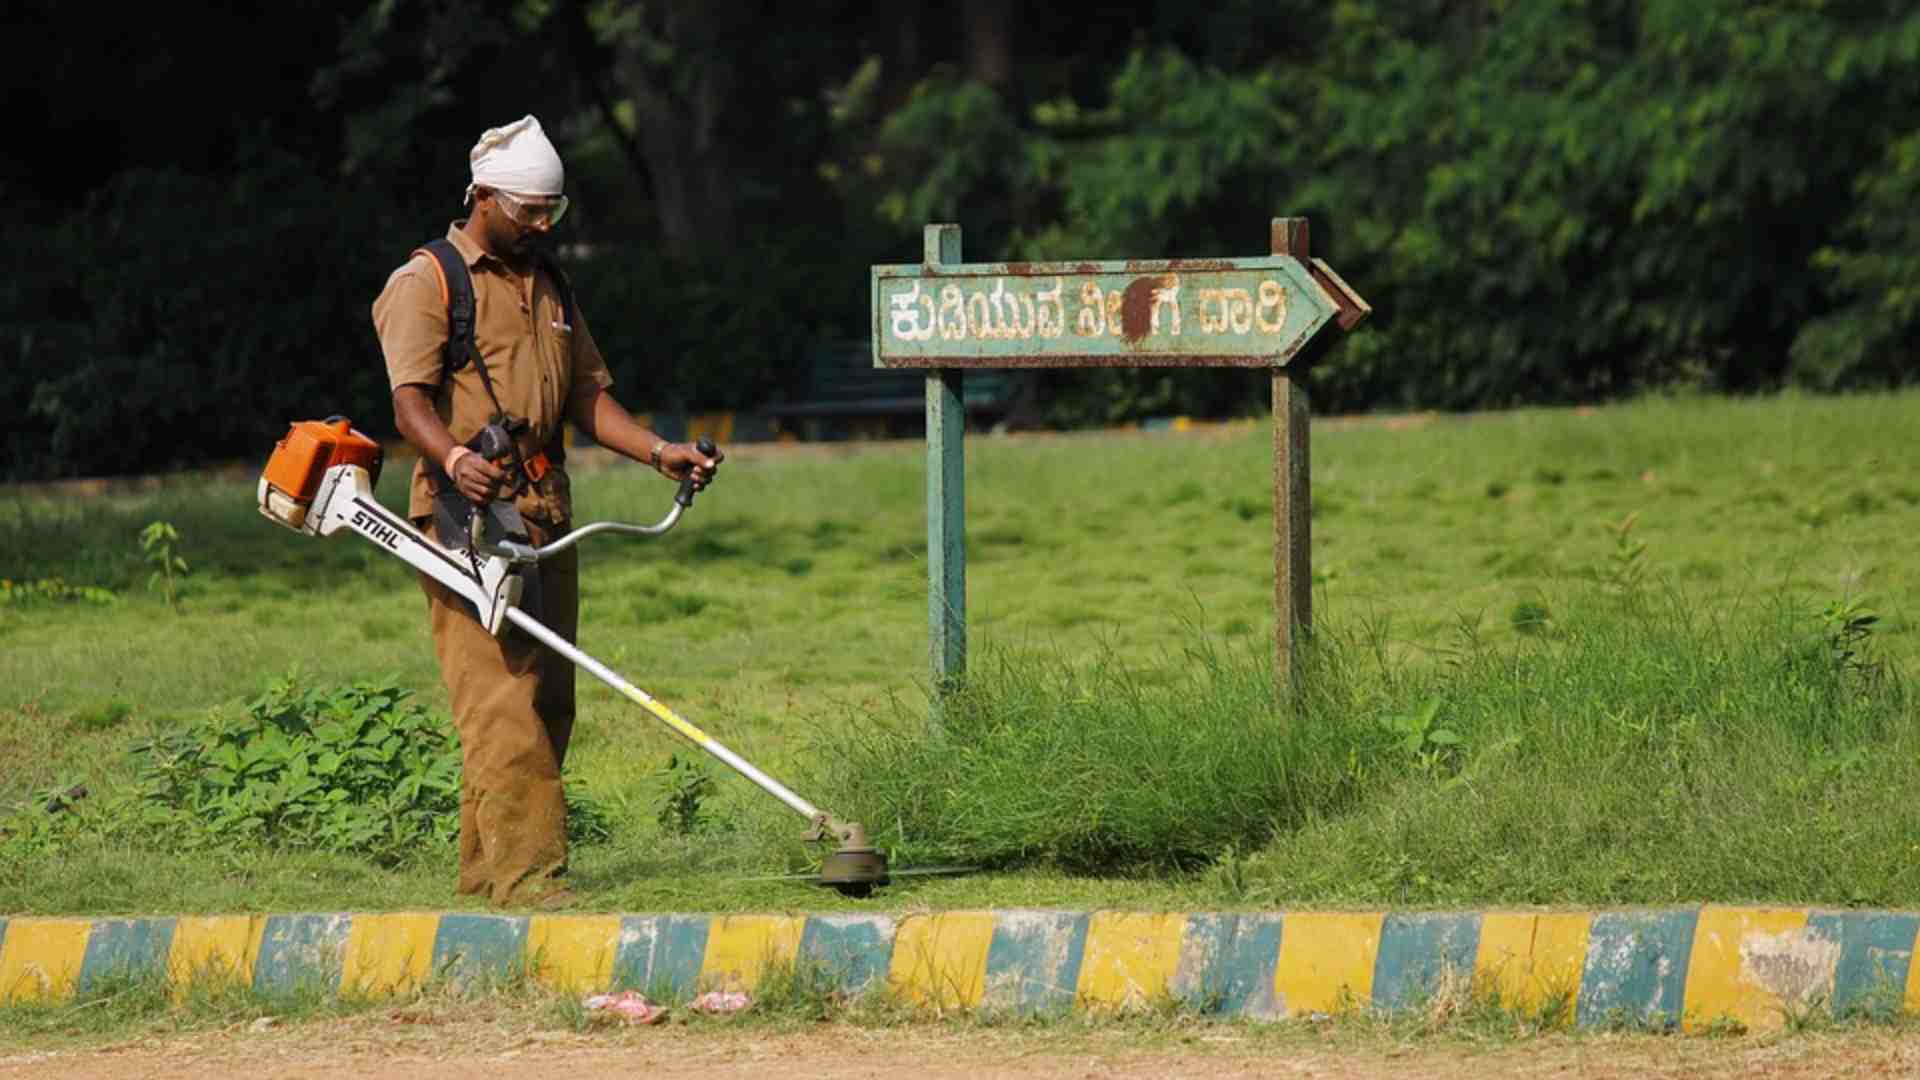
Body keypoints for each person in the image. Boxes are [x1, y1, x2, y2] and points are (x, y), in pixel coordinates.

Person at [371, 114, 721, 907]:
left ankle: (484, 879)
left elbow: (589, 395)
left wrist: (659, 450)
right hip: (464, 519)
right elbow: (408, 402)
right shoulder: (427, 281)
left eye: (552, 212)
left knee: (545, 696)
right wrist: (455, 457)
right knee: (500, 700)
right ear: (485, 197)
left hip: (544, 510)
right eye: (530, 209)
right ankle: (532, 887)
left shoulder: (552, 285)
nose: (541, 224)